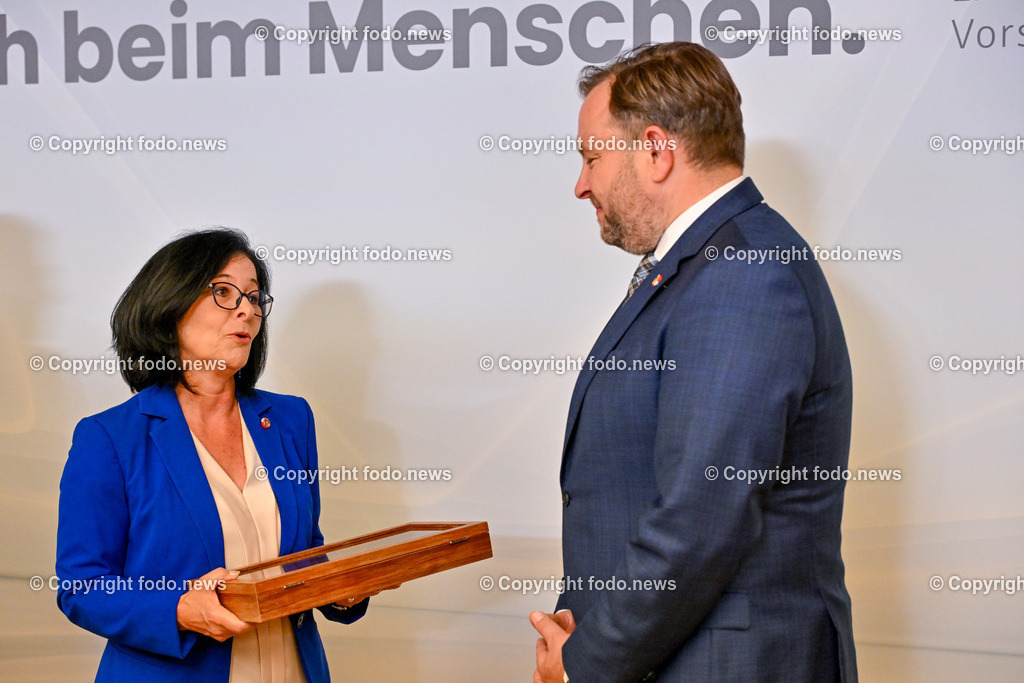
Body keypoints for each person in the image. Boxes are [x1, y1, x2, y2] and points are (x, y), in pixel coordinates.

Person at [530, 42, 857, 682]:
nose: (580, 184)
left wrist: (585, 665)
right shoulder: (706, 266)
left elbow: (700, 519)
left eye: (591, 157)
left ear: (654, 150)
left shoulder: (742, 275)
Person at [56, 228, 370, 682]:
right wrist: (179, 608)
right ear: (170, 304)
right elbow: (81, 588)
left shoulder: (290, 418)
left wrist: (342, 588)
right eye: (223, 292)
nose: (247, 309)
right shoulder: (108, 437)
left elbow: (305, 552)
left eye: (254, 297)